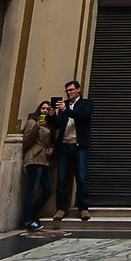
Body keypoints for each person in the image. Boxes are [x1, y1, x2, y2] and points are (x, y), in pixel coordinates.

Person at [52, 79, 93, 222]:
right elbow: (58, 124)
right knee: (62, 178)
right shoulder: (64, 105)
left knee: (81, 177)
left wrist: (66, 110)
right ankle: (61, 208)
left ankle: (84, 208)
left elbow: (82, 117)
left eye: (71, 90)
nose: (69, 93)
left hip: (79, 145)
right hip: (64, 145)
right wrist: (53, 115)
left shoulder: (86, 104)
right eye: (67, 91)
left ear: (78, 90)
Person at [22, 100, 59, 230]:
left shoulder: (50, 125)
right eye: (43, 108)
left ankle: (32, 216)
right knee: (32, 190)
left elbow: (51, 140)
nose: (45, 111)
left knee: (48, 190)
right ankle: (27, 220)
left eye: (47, 109)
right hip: (34, 158)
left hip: (45, 161)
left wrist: (52, 146)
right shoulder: (32, 122)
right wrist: (36, 127)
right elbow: (26, 142)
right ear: (39, 109)